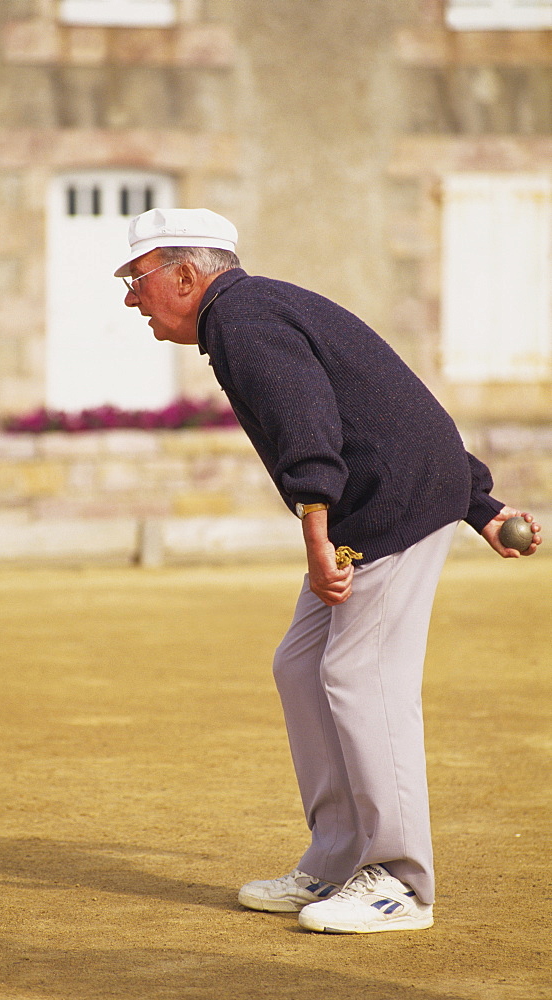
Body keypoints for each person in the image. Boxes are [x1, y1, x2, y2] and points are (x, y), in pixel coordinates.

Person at [114, 207, 542, 934]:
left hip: (387, 510)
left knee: (359, 671)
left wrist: (318, 535)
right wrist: (481, 505)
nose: (130, 297)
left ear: (185, 276)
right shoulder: (254, 310)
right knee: (301, 664)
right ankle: (340, 857)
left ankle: (401, 882)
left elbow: (308, 421)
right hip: (379, 507)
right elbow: (393, 399)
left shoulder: (243, 319)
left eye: (136, 277)